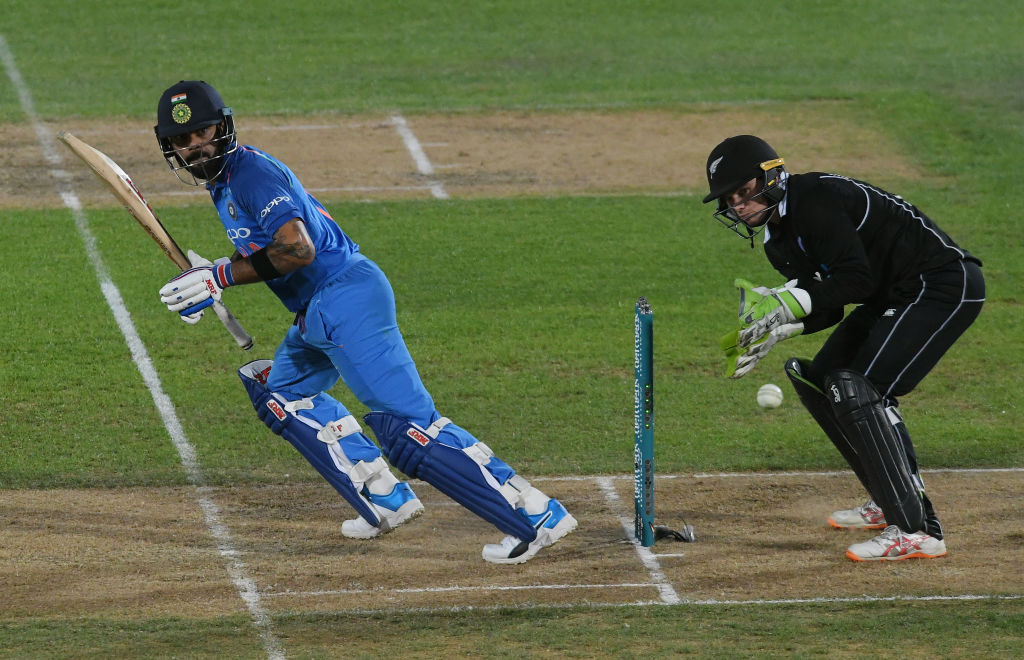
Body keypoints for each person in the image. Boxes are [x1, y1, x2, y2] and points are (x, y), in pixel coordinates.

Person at [153, 80, 576, 564]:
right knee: (281, 395)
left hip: (345, 300)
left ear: (222, 128)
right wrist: (211, 276)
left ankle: (536, 515)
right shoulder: (226, 183)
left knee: (410, 431)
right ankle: (386, 499)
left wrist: (221, 278)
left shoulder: (250, 173)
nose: (195, 146)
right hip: (319, 312)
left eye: (202, 133)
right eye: (183, 141)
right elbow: (265, 244)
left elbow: (297, 248)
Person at [704, 135, 984, 562]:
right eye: (730, 199)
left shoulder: (816, 197)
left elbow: (856, 280)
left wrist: (786, 303)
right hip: (893, 296)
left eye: (743, 192)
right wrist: (781, 327)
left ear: (772, 176)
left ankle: (918, 530)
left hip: (940, 283)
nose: (738, 205)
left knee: (861, 386)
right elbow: (832, 303)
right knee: (819, 379)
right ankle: (889, 498)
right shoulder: (777, 241)